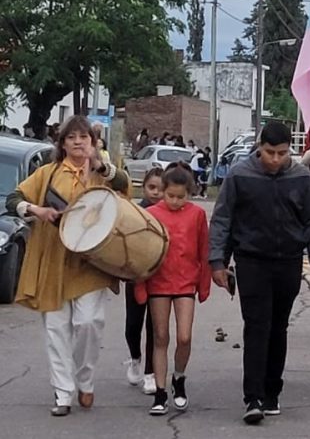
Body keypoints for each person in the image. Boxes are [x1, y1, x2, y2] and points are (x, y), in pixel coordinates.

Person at [5, 115, 127, 416]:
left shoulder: (103, 173)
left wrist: (104, 167)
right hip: (53, 260)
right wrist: (37, 210)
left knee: (88, 323)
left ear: (92, 142)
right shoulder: (48, 173)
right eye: (70, 137)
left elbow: (124, 185)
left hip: (91, 262)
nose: (77, 142)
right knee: (56, 328)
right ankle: (63, 392)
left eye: (83, 137)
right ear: (61, 143)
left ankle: (85, 380)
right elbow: (13, 199)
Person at [209, 121, 310, 425]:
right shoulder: (239, 175)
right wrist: (217, 261)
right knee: (256, 326)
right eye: (270, 152)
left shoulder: (302, 177)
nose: (275, 159)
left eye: (282, 153)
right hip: (251, 261)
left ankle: (273, 391)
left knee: (278, 327)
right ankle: (253, 397)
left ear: (291, 151)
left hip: (288, 260)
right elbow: (222, 219)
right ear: (259, 147)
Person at [134, 163, 211, 416]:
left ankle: (179, 378)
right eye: (171, 196)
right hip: (158, 281)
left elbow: (203, 250)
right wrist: (141, 285)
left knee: (184, 336)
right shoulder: (152, 214)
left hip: (185, 282)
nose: (176, 201)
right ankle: (159, 391)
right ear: (163, 192)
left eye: (181, 197)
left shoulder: (197, 215)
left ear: (189, 193)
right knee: (160, 336)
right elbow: (142, 252)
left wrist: (204, 283)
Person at [124, 168, 164, 395]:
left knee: (155, 328)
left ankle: (150, 372)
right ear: (144, 187)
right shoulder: (135, 212)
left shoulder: (168, 211)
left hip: (160, 278)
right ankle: (134, 357)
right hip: (136, 276)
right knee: (133, 325)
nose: (156, 193)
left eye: (161, 188)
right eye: (152, 188)